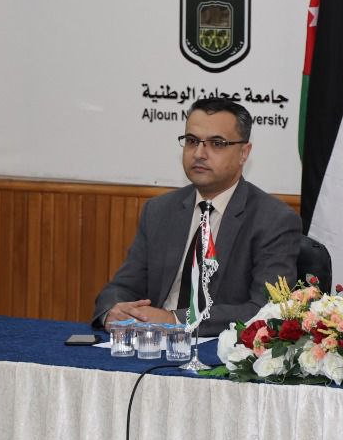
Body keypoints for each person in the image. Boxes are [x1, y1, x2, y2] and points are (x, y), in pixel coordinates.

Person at [93, 97, 300, 337]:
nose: (199, 153)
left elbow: (267, 310)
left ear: (244, 153)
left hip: (217, 349)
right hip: (150, 343)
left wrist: (175, 320)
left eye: (217, 144)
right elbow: (122, 287)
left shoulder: (273, 220)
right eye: (192, 141)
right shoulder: (159, 211)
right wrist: (114, 311)